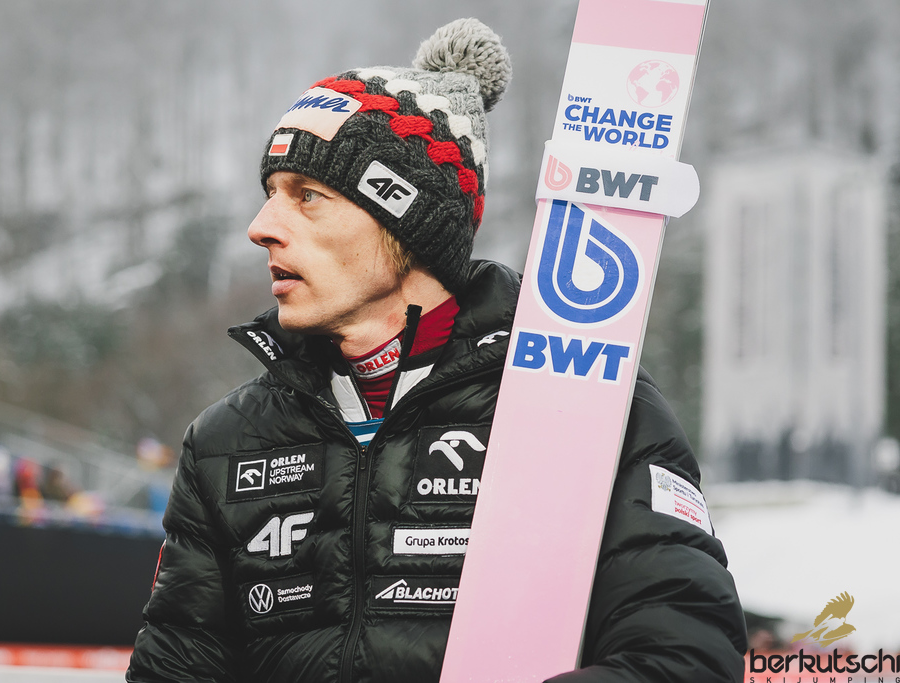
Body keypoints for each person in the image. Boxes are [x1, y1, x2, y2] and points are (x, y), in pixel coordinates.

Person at [126, 18, 747, 683]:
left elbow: (685, 658)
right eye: (270, 195)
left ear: (408, 218)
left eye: (308, 197)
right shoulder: (225, 443)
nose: (261, 228)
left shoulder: (584, 394)